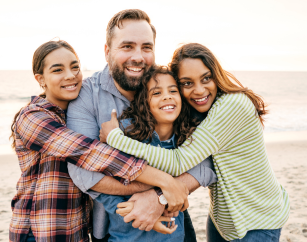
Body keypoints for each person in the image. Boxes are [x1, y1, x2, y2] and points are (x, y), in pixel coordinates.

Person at [100, 43, 290, 242]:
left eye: (206, 78)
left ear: (216, 74)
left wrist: (115, 138)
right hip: (223, 220)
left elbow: (177, 162)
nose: (199, 90)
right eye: (187, 83)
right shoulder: (200, 112)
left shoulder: (233, 105)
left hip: (257, 220)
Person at [8, 40, 189, 242]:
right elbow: (89, 153)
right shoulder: (33, 117)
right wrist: (164, 182)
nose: (70, 75)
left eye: (75, 67)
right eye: (58, 70)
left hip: (77, 230)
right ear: (41, 79)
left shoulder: (74, 113)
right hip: (40, 231)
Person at [66, 10, 217, 242]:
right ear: (107, 51)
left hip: (172, 218)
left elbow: (206, 159)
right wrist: (160, 186)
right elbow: (84, 172)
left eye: (146, 47)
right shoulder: (87, 96)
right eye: (127, 46)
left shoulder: (170, 88)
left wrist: (159, 197)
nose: (138, 57)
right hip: (113, 227)